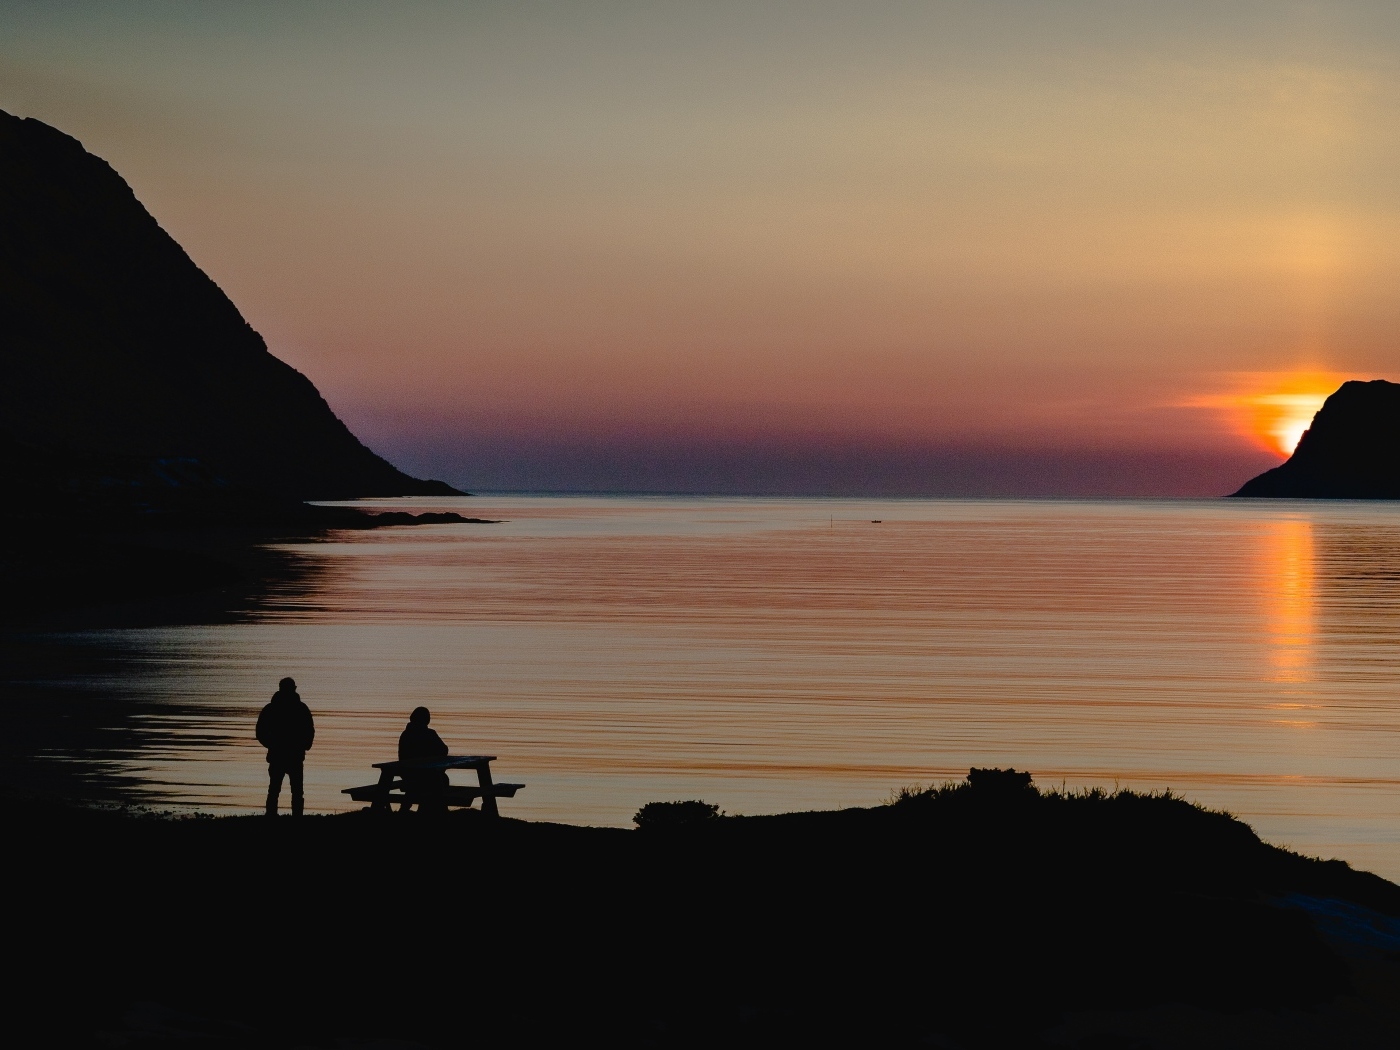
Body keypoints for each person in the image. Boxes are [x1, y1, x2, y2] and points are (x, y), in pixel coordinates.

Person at [255, 677, 315, 817]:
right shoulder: (300, 708)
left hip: (281, 754)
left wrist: (271, 744)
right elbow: (309, 730)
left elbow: (260, 731)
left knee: (276, 790)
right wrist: (305, 745)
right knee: (294, 791)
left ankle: (272, 816)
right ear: (293, 688)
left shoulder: (271, 708)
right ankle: (295, 817)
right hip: (291, 754)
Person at [398, 706, 449, 811]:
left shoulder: (406, 734)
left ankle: (413, 808)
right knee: (441, 779)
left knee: (437, 779)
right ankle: (436, 809)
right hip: (421, 775)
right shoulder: (429, 734)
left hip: (408, 774)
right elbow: (444, 750)